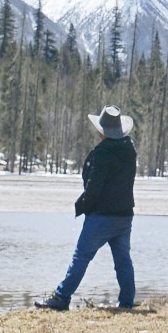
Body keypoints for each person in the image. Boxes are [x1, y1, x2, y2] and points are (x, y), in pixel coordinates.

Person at [35, 106, 138, 311]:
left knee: (81, 256)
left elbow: (94, 187)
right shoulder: (129, 150)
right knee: (123, 261)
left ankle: (62, 297)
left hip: (102, 216)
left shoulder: (102, 153)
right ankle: (127, 301)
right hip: (125, 215)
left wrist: (83, 206)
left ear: (102, 131)